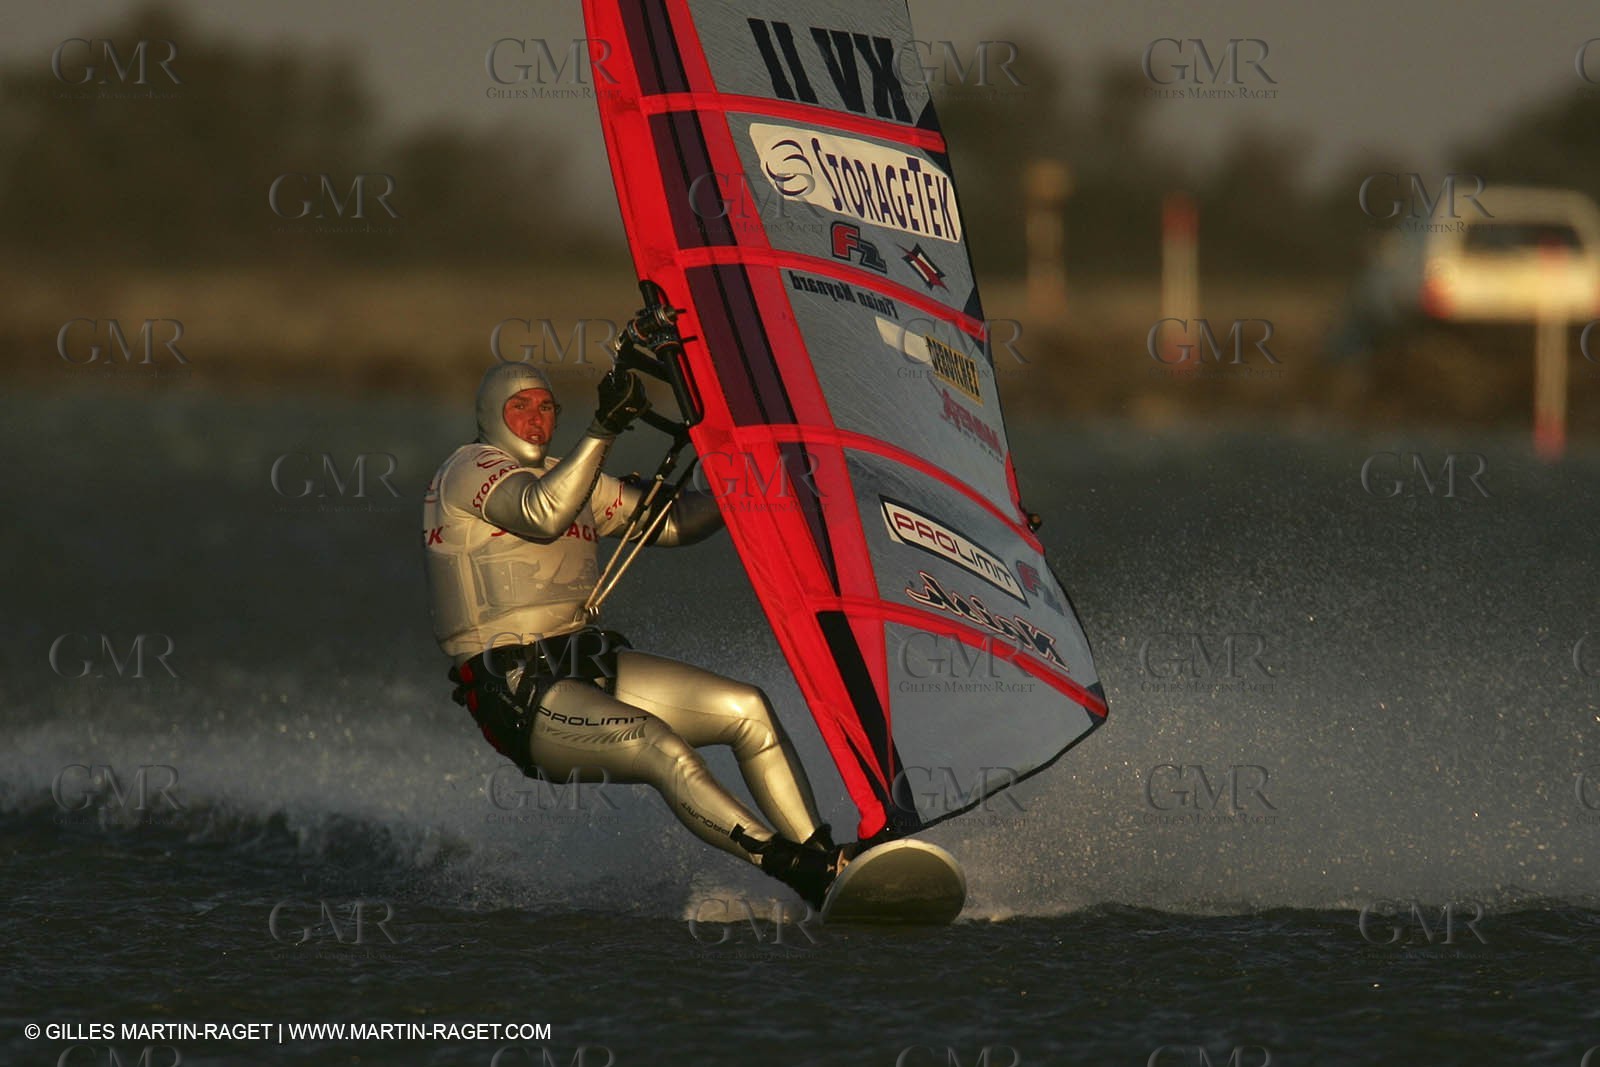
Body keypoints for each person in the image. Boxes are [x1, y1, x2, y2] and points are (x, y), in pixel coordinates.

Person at [421, 331, 853, 908]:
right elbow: (540, 513)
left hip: (583, 664)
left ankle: (827, 860)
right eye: (519, 407)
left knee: (748, 710)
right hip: (517, 692)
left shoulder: (570, 476)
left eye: (546, 407)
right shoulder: (468, 470)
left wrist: (747, 479)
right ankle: (795, 870)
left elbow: (674, 525)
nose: (535, 418)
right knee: (660, 747)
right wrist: (602, 430)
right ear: (490, 417)